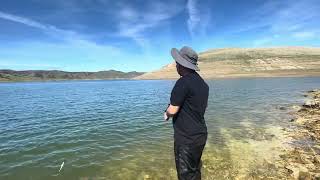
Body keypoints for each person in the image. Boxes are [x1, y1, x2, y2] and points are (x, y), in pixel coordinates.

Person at [164, 46, 209, 180]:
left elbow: (172, 110)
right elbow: (198, 108)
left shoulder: (182, 82)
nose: (176, 66)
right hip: (200, 135)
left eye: (177, 63)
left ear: (182, 65)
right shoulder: (203, 84)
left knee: (185, 175)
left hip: (186, 139)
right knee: (194, 170)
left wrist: (166, 113)